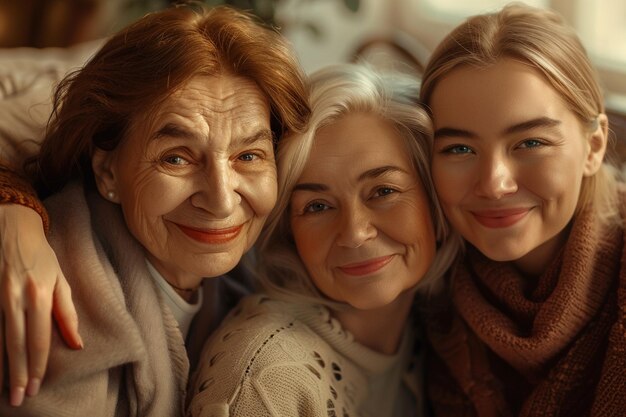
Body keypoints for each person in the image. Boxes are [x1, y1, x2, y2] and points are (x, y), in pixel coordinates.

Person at [0, 4, 309, 414]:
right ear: (107, 171)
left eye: (249, 156)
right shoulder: (62, 311)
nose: (221, 200)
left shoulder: (267, 265)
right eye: (176, 159)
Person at [186, 63, 460, 417]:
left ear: (436, 202)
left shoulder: (439, 333)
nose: (354, 232)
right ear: (289, 230)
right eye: (317, 206)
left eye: (383, 191)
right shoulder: (264, 380)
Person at [418, 4, 626, 416]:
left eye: (531, 143)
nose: (495, 184)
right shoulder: (426, 289)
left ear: (595, 145)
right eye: (459, 149)